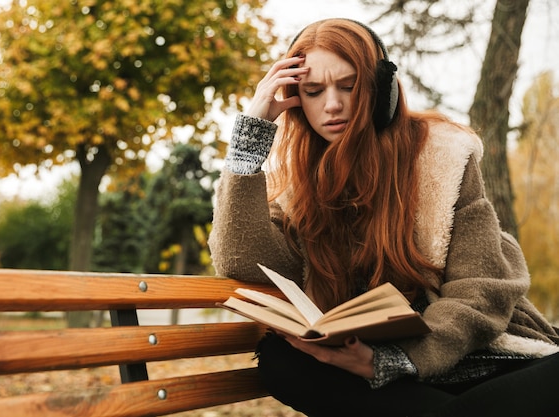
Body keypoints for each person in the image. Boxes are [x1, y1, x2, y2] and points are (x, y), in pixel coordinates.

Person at [208, 18, 559, 417]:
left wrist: (394, 361)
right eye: (313, 91)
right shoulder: (296, 191)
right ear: (295, 98)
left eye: (349, 85)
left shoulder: (444, 158)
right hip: (370, 373)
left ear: (382, 90)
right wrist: (250, 139)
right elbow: (239, 260)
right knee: (280, 360)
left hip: (478, 358)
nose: (333, 104)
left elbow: (478, 289)